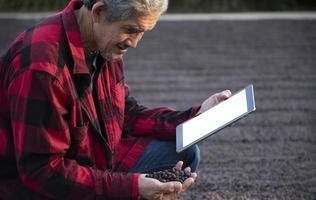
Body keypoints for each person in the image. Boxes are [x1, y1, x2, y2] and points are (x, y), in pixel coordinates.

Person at [0, 0, 232, 199]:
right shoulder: (43, 69)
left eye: (143, 32)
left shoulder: (101, 44)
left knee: (186, 150)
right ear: (99, 11)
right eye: (131, 30)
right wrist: (132, 187)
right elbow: (42, 172)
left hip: (92, 161)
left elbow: (125, 113)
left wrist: (196, 116)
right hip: (35, 188)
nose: (134, 42)